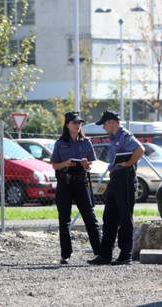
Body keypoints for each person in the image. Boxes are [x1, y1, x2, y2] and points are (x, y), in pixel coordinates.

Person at [88, 111, 144, 266]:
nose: (104, 127)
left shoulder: (125, 135)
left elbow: (140, 150)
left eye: (105, 124)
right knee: (109, 216)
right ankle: (105, 255)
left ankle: (125, 255)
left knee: (125, 216)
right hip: (115, 178)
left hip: (125, 177)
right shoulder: (114, 138)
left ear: (112, 122)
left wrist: (128, 163)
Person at [51, 112, 101, 264]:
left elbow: (91, 163)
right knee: (64, 220)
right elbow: (54, 165)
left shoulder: (86, 142)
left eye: (80, 123)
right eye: (75, 122)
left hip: (80, 183)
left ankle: (100, 253)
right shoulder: (59, 143)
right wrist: (65, 164)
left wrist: (86, 164)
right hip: (64, 183)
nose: (78, 125)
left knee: (90, 218)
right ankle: (65, 254)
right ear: (67, 125)